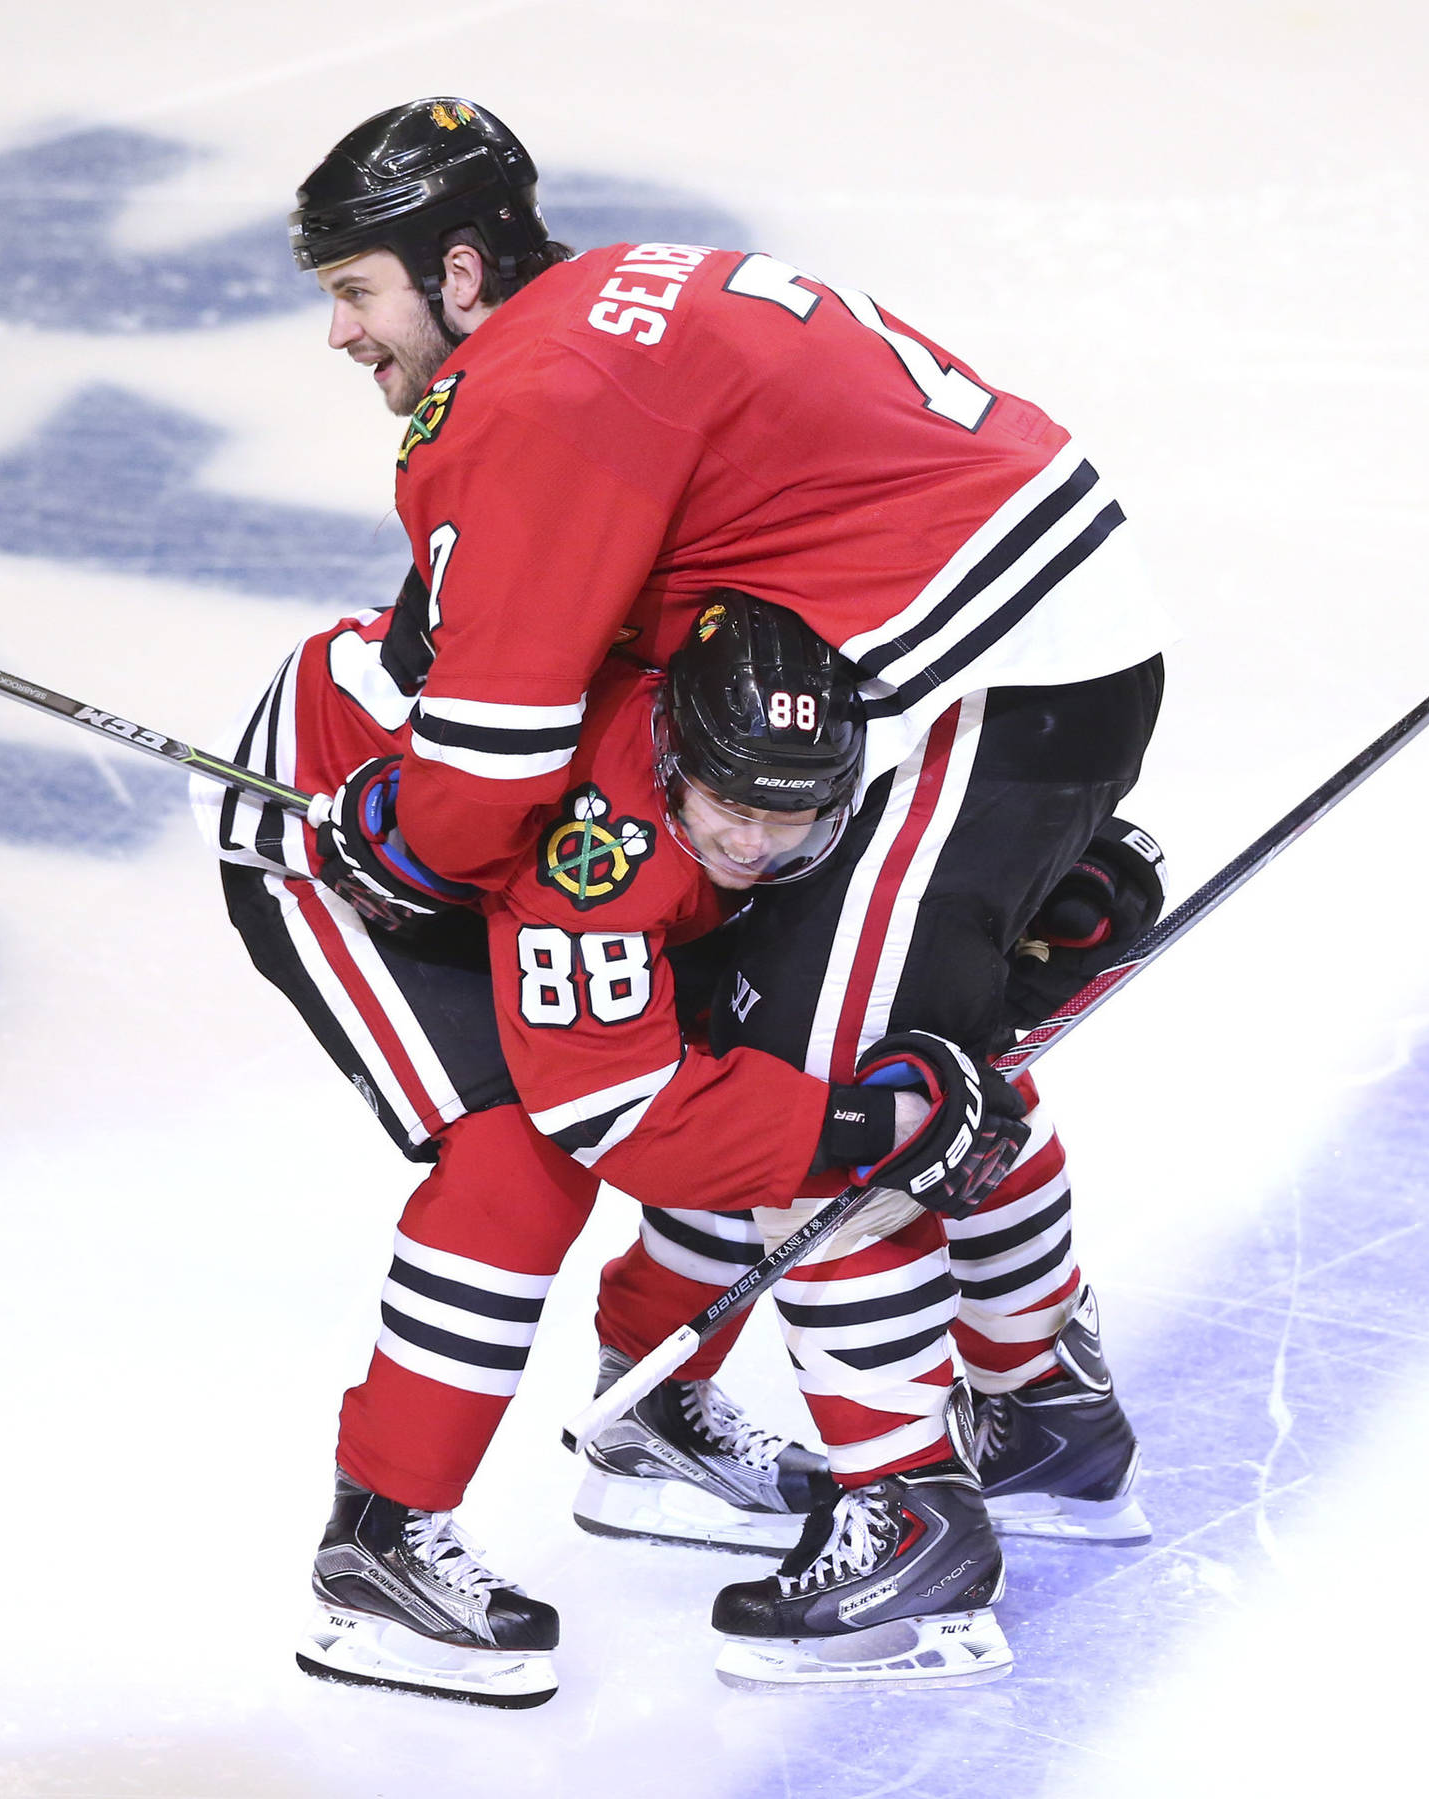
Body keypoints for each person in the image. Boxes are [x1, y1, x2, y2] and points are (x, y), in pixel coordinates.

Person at [276, 94, 1175, 1690]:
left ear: (461, 269)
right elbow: (604, 1052)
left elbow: (482, 785)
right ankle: (1019, 1409)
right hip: (1018, 670)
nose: (340, 333)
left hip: (959, 690)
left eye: (357, 290)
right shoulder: (618, 297)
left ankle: (907, 1521)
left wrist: (406, 835)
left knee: (820, 1080)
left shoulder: (534, 392)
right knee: (831, 1086)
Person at [199, 592, 1032, 1705]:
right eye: (731, 802)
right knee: (516, 1166)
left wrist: (1036, 898)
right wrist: (867, 1122)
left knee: (760, 1057)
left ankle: (654, 1419)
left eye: (793, 816)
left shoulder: (808, 759)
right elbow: (622, 1113)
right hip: (337, 835)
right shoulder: (604, 849)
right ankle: (378, 1545)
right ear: (676, 752)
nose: (754, 841)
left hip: (505, 832)